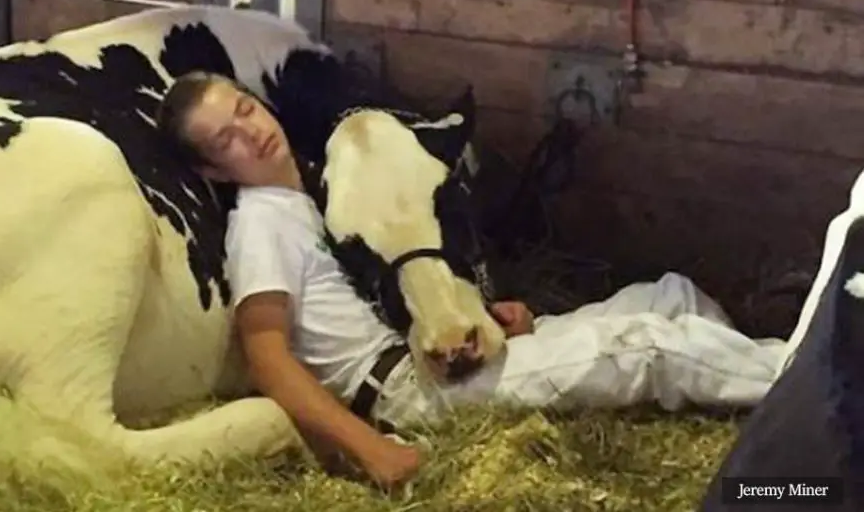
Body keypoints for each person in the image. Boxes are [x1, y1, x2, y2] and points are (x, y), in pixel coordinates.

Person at [154, 71, 789, 489]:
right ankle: (812, 387)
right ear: (213, 170)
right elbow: (265, 355)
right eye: (226, 139)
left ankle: (752, 411)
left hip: (434, 350)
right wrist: (371, 449)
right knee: (649, 346)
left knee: (669, 292)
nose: (252, 132)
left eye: (244, 109)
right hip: (406, 389)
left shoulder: (320, 186)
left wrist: (485, 315)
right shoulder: (261, 225)